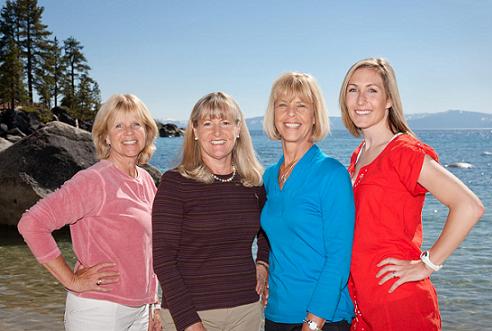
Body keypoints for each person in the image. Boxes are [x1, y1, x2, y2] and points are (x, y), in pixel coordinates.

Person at [339, 57, 485, 331]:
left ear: (389, 100)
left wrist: (427, 264)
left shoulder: (403, 151)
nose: (361, 99)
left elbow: (468, 206)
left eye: (372, 90)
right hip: (362, 305)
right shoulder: (358, 155)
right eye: (353, 89)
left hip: (399, 302)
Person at [17, 94, 160, 331]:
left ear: (147, 131)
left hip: (140, 311)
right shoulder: (94, 181)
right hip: (98, 312)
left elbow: (150, 247)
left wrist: (154, 302)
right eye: (119, 125)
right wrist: (71, 279)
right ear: (105, 136)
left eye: (136, 124)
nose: (129, 132)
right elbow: (32, 224)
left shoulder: (145, 180)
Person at [152, 91, 269, 331]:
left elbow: (268, 228)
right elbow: (163, 259)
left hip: (246, 310)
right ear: (194, 131)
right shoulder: (175, 182)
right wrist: (189, 322)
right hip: (190, 314)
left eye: (225, 123)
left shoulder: (253, 183)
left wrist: (263, 263)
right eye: (207, 123)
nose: (217, 132)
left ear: (238, 129)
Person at [261, 72, 355, 331]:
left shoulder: (332, 174)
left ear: (314, 116)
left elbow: (339, 257)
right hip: (277, 313)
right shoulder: (269, 176)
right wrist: (261, 265)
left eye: (301, 105)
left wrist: (313, 323)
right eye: (283, 105)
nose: (291, 113)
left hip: (323, 318)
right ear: (273, 113)